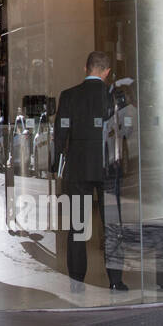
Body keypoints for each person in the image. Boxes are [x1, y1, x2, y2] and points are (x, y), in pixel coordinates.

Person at [54, 51, 125, 292]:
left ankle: (76, 282)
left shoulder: (68, 96)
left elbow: (59, 137)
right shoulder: (114, 98)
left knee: (77, 226)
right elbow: (124, 132)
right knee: (112, 226)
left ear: (86, 68)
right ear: (106, 72)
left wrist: (58, 167)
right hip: (107, 167)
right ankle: (115, 280)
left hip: (77, 168)